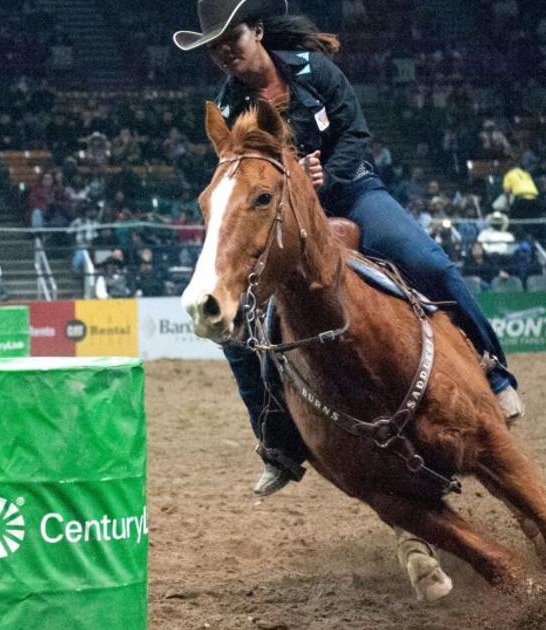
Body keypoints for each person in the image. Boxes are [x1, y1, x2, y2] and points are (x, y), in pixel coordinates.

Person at [173, 0, 520, 496]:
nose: (227, 54)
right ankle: (278, 444)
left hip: (353, 191)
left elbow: (356, 133)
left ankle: (495, 372)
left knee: (430, 265)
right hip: (287, 221)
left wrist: (326, 174)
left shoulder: (316, 71)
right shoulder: (230, 108)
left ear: (260, 32)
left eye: (234, 40)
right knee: (237, 329)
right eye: (216, 50)